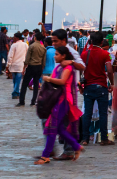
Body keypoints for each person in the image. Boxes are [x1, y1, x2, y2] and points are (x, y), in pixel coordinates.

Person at [36, 34, 82, 164]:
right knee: (59, 128)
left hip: (64, 100)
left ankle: (46, 155)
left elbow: (62, 81)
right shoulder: (60, 66)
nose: (54, 56)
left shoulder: (67, 67)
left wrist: (48, 79)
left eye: (56, 54)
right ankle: (76, 146)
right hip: (57, 99)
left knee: (51, 127)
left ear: (63, 55)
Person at [79, 31, 113, 146]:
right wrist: (112, 84)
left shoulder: (84, 54)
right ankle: (104, 138)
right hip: (101, 86)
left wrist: (80, 86)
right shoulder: (105, 54)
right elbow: (109, 70)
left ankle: (85, 139)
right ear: (102, 41)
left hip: (88, 86)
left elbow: (80, 71)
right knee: (103, 113)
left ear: (91, 41)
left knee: (87, 113)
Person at [19, 32, 47, 107]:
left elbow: (27, 58)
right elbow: (43, 61)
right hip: (39, 67)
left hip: (31, 66)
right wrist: (41, 68)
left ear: (35, 38)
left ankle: (22, 101)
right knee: (36, 84)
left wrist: (24, 68)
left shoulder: (31, 46)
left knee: (24, 84)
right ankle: (33, 101)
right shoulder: (43, 48)